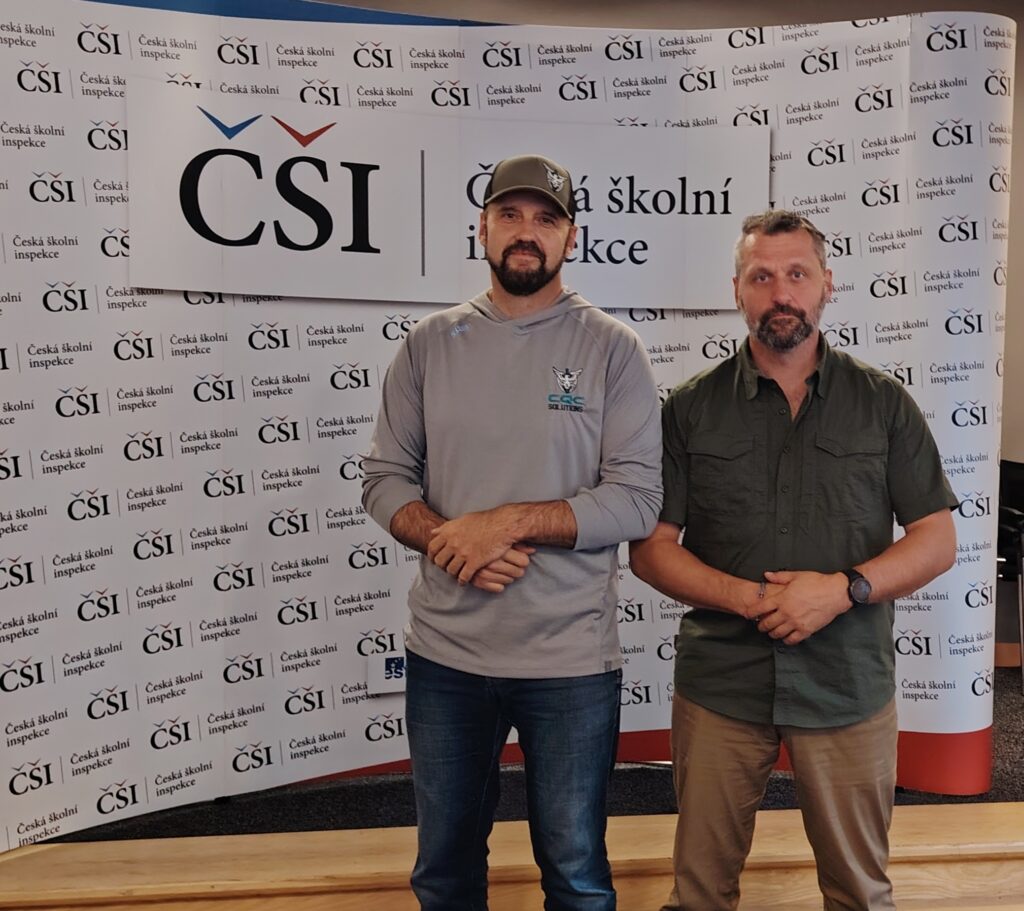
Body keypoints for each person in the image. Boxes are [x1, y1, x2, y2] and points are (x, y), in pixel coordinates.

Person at [630, 209, 957, 911]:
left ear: (827, 284)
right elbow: (652, 550)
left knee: (859, 893)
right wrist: (753, 600)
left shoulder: (884, 404)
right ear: (737, 290)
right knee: (699, 894)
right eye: (761, 276)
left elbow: (936, 539)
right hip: (722, 685)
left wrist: (843, 590)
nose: (781, 292)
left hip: (847, 683)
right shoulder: (689, 409)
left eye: (797, 274)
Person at [362, 153, 662, 911]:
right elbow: (384, 479)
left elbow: (635, 502)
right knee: (444, 871)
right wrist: (451, 541)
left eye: (546, 218)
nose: (527, 231)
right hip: (446, 658)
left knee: (577, 875)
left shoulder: (613, 348)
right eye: (510, 215)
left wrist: (506, 523)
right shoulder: (430, 343)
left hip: (571, 662)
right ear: (483, 228)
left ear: (572, 237)